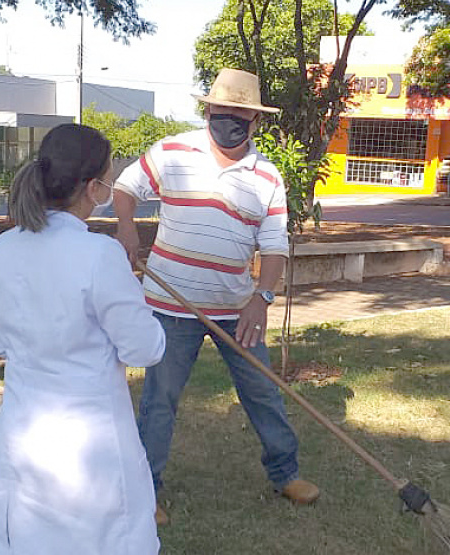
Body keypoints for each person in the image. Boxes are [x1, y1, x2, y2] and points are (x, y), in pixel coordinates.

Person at [113, 68, 320, 526]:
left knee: (264, 392)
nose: (228, 118)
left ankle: (286, 474)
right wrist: (127, 227)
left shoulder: (267, 175)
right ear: (207, 110)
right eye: (220, 110)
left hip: (235, 310)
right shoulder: (171, 151)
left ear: (255, 120)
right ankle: (148, 492)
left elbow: (273, 245)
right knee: (159, 401)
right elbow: (125, 187)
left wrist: (261, 298)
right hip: (170, 307)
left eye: (239, 113)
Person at [0, 123, 165, 554]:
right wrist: (138, 303)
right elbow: (145, 348)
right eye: (109, 180)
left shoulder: (0, 250)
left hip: (23, 432)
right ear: (93, 187)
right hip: (88, 444)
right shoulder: (99, 255)